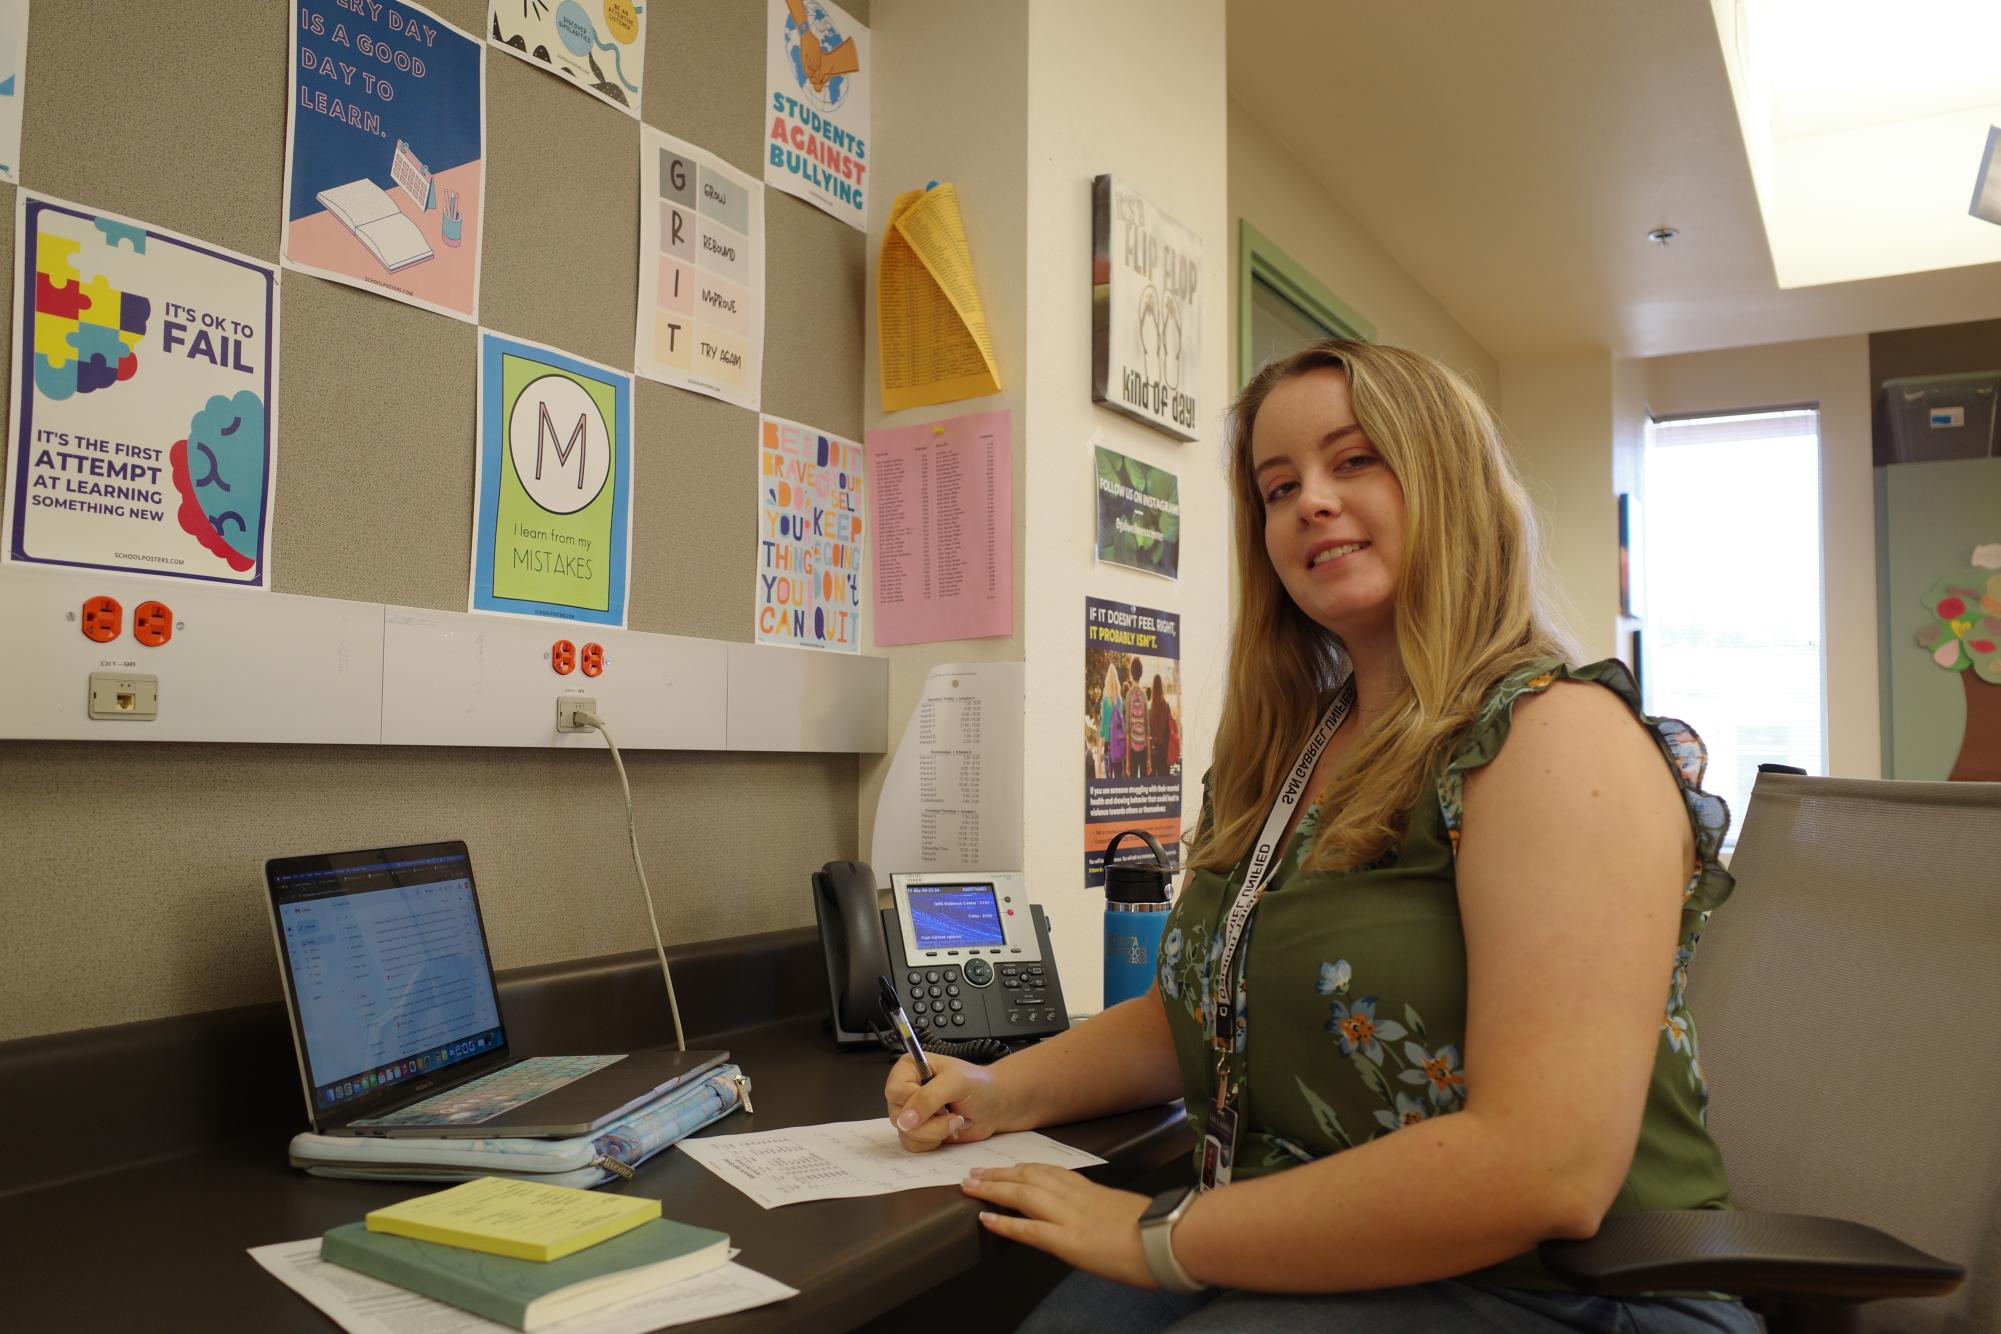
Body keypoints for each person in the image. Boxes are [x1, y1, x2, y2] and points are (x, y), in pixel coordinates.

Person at [883, 340, 1751, 1333]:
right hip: (1310, 1241)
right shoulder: (1289, 750)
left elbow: (1544, 1166)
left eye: (1356, 460)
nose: (1312, 502)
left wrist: (1157, 1236)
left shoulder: (1553, 738)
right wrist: (997, 1090)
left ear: (1447, 481)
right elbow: (1205, 1001)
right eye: (1279, 484)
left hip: (1565, 1287)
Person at [1126, 655, 1152, 779]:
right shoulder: (1144, 696)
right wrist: (1149, 759)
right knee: (1144, 786)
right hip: (1143, 747)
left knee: (1132, 787)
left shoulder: (1129, 695)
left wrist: (1127, 760)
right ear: (1141, 673)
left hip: (1132, 747)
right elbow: (1147, 729)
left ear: (1131, 673)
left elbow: (1127, 728)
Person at [1148, 672, 1173, 780]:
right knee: (1165, 782)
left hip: (1154, 752)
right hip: (1165, 751)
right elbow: (1169, 730)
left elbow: (1149, 731)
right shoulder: (1166, 706)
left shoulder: (1150, 707)